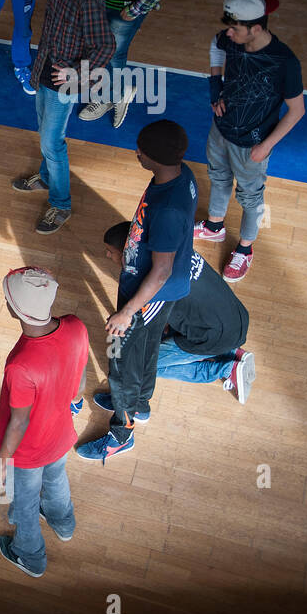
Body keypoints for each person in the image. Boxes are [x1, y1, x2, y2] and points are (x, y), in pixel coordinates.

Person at [77, 120, 196, 464]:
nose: (137, 153)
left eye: (141, 150)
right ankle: (138, 403)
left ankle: (121, 434)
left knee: (121, 360)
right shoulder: (178, 174)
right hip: (147, 290)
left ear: (153, 157)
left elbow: (161, 270)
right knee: (142, 353)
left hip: (148, 296)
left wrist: (127, 312)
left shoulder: (170, 207)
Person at [194, 0, 305, 283]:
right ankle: (214, 227)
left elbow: (297, 111)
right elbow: (216, 45)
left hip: (252, 145)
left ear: (256, 28)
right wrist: (215, 89)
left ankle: (245, 248)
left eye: (235, 28)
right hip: (221, 128)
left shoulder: (285, 62)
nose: (227, 33)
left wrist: (266, 146)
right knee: (217, 177)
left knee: (251, 198)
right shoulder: (231, 39)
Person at [9, 0, 115, 235]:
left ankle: (61, 204)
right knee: (45, 133)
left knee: (52, 143)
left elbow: (106, 46)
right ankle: (45, 177)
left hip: (65, 83)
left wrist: (77, 73)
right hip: (44, 71)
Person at [0, 268, 86, 578]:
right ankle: (63, 523)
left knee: (26, 502)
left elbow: (18, 423)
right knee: (57, 477)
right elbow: (80, 382)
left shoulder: (21, 364)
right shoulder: (75, 326)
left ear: (14, 309)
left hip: (29, 452)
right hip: (61, 434)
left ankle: (30, 555)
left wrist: (1, 463)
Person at [101, 222, 255, 402]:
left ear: (126, 252)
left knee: (144, 367)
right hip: (236, 317)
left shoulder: (150, 282)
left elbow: (144, 326)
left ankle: (226, 369)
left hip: (213, 336)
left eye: (111, 251)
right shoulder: (170, 249)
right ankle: (231, 352)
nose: (107, 255)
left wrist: (122, 323)